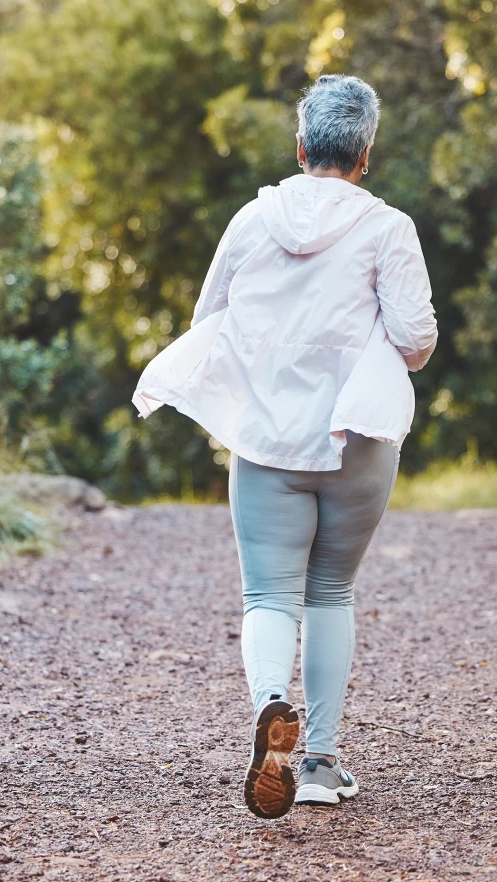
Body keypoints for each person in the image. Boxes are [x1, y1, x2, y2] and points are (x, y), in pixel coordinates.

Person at [133, 74, 437, 819]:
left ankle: (273, 703)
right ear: (364, 155)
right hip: (357, 438)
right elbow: (417, 342)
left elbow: (213, 317)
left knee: (269, 595)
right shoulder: (387, 227)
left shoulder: (251, 220)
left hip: (268, 437)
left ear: (301, 148)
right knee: (331, 591)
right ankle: (322, 766)